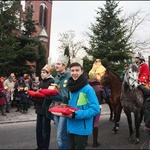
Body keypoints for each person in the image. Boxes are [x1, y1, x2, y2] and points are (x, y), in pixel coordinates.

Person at [64, 62, 100, 150]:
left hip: (82, 129)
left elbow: (95, 109)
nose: (74, 73)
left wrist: (75, 114)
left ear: (82, 71)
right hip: (70, 126)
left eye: (77, 70)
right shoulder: (70, 87)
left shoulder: (88, 89)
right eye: (72, 70)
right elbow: (71, 106)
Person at [32, 64, 54, 150]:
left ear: (48, 73)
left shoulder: (51, 81)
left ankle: (45, 147)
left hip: (46, 109)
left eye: (44, 72)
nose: (42, 74)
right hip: (39, 109)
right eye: (41, 72)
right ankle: (39, 146)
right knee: (39, 129)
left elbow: (48, 96)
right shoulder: (41, 81)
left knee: (45, 129)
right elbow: (39, 94)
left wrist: (36, 98)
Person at [53, 54, 71, 150]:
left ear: (64, 66)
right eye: (56, 63)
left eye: (58, 64)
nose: (56, 65)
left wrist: (60, 95)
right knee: (61, 133)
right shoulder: (56, 77)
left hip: (64, 107)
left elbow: (69, 93)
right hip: (55, 107)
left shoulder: (69, 77)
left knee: (60, 134)